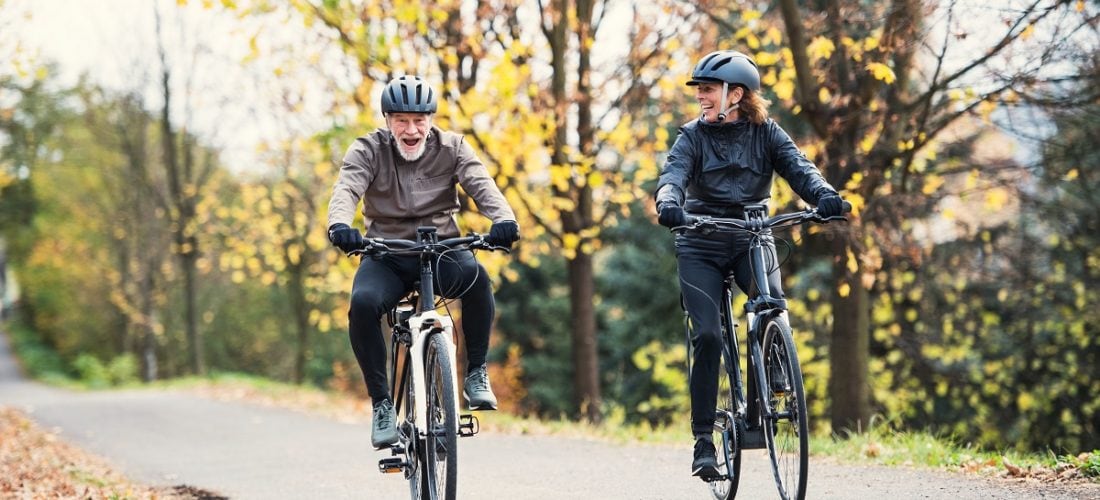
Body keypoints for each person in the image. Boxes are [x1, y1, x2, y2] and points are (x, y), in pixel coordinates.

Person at [653, 50, 845, 479]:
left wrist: (824, 195)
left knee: (772, 302)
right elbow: (673, 176)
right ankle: (704, 439)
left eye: (707, 89)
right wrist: (669, 202)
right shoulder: (691, 137)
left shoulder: (768, 134)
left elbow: (801, 169)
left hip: (751, 237)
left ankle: (776, 368)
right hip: (700, 242)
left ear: (734, 94)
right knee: (706, 335)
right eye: (700, 89)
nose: (700, 96)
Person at [326, 75, 520, 449]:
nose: (411, 129)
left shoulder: (453, 147)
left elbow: (481, 183)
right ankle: (382, 405)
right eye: (401, 120)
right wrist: (339, 225)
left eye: (419, 120)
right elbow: (347, 187)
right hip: (387, 254)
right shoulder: (367, 149)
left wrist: (504, 219)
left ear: (431, 119)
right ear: (387, 120)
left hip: (442, 248)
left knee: (477, 279)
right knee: (363, 304)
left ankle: (476, 372)